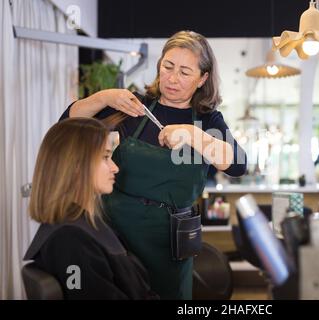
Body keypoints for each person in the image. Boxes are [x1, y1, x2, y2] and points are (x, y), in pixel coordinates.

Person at [60, 30, 247, 299]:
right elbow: (67, 124)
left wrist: (193, 135)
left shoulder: (207, 121)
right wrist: (104, 98)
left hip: (171, 242)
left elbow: (239, 164)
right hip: (117, 233)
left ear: (202, 79)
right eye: (167, 66)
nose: (172, 78)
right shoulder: (136, 107)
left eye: (184, 72)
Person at [24, 118, 158, 300]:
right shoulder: (70, 240)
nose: (115, 168)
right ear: (76, 165)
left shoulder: (88, 226)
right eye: (105, 157)